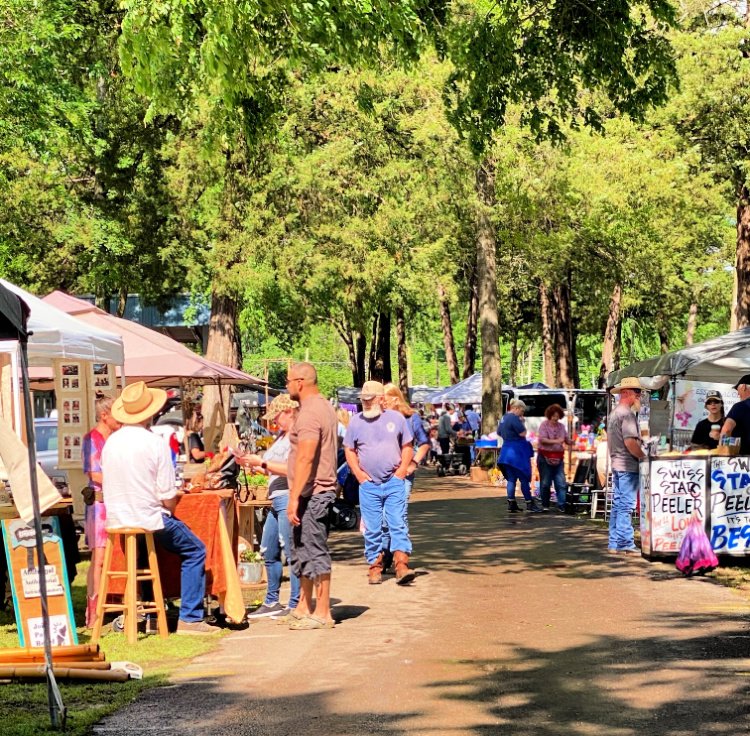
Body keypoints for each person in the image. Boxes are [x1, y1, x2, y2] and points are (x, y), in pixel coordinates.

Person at [102, 381, 218, 634]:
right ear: (150, 412)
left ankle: (151, 613)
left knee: (143, 556)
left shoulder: (111, 442)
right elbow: (167, 496)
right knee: (196, 549)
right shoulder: (154, 443)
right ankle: (190, 617)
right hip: (149, 516)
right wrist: (172, 503)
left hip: (118, 519)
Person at [344, 381, 415, 585]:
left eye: (370, 399)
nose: (366, 403)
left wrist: (401, 471)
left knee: (397, 522)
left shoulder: (397, 419)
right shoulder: (356, 422)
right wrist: (358, 473)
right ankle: (375, 566)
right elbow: (349, 450)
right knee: (373, 527)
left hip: (393, 482)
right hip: (368, 485)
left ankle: (401, 564)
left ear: (381, 399)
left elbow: (408, 446)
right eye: (363, 400)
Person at [285, 362, 338, 630]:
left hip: (314, 492)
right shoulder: (324, 406)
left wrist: (294, 497)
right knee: (302, 547)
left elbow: (306, 456)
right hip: (313, 492)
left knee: (314, 548)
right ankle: (304, 606)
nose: (287, 385)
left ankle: (324, 613)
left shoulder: (310, 413)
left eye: (288, 381)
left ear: (300, 382)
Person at [239, 395, 301, 619]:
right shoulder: (281, 437)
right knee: (268, 549)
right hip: (275, 498)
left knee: (291, 550)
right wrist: (254, 465)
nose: (274, 422)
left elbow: (292, 468)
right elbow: (273, 467)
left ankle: (295, 602)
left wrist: (262, 463)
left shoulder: (295, 437)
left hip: (286, 496)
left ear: (288, 412)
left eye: (276, 417)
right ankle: (272, 600)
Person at [381, 383, 430, 572]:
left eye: (384, 399)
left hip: (403, 474)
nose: (382, 403)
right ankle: (385, 555)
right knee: (383, 517)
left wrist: (413, 464)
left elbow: (424, 443)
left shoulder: (411, 418)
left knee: (398, 514)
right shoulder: (379, 419)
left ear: (395, 398)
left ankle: (400, 559)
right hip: (383, 473)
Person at [82, 394, 121, 627]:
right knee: (99, 558)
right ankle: (93, 612)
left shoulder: (115, 439)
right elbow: (94, 473)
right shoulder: (91, 439)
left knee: (113, 556)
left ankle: (113, 603)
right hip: (99, 505)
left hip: (115, 502)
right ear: (104, 415)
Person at [607, 376, 646, 555]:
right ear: (627, 393)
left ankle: (614, 542)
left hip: (617, 463)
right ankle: (624, 542)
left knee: (617, 504)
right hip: (627, 465)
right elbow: (630, 442)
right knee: (626, 505)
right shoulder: (627, 415)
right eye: (637, 393)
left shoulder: (614, 414)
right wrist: (643, 457)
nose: (639, 397)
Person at [498, 399, 539, 513]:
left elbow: (499, 433)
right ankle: (529, 504)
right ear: (516, 408)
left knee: (511, 479)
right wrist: (522, 423)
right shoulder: (514, 418)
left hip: (505, 453)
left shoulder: (504, 417)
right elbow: (523, 433)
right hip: (517, 454)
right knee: (524, 479)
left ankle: (511, 503)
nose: (522, 413)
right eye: (522, 411)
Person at [537, 403, 572, 512]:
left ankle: (562, 505)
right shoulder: (544, 425)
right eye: (553, 416)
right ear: (549, 416)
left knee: (561, 482)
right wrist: (556, 441)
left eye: (557, 416)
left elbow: (566, 439)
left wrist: (572, 441)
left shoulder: (561, 426)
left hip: (559, 457)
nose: (555, 418)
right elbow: (542, 439)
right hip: (545, 456)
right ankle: (545, 505)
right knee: (545, 483)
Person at [721, 375, 750, 453]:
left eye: (738, 390)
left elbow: (726, 430)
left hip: (743, 461)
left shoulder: (740, 406)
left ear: (743, 387)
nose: (738, 394)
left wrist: (724, 452)